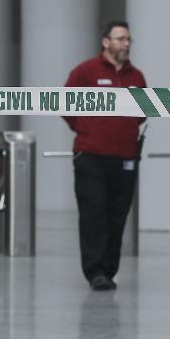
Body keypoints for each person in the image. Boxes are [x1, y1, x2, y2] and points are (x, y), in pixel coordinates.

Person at [63, 21, 147, 291]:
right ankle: (95, 271)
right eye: (120, 39)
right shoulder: (86, 72)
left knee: (117, 215)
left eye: (128, 40)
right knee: (93, 212)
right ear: (105, 42)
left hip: (124, 157)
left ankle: (109, 270)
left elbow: (143, 111)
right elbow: (66, 104)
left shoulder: (136, 76)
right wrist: (88, 130)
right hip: (91, 156)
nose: (125, 44)